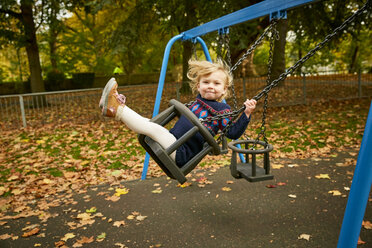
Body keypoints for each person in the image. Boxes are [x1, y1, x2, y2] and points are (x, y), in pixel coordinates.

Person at [99, 59, 257, 167]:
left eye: (216, 83)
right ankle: (112, 107)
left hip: (181, 152)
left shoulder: (223, 110)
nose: (210, 86)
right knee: (149, 123)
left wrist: (246, 113)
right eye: (206, 82)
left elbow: (233, 133)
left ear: (224, 89)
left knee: (154, 128)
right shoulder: (197, 102)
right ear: (198, 85)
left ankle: (117, 109)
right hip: (173, 141)